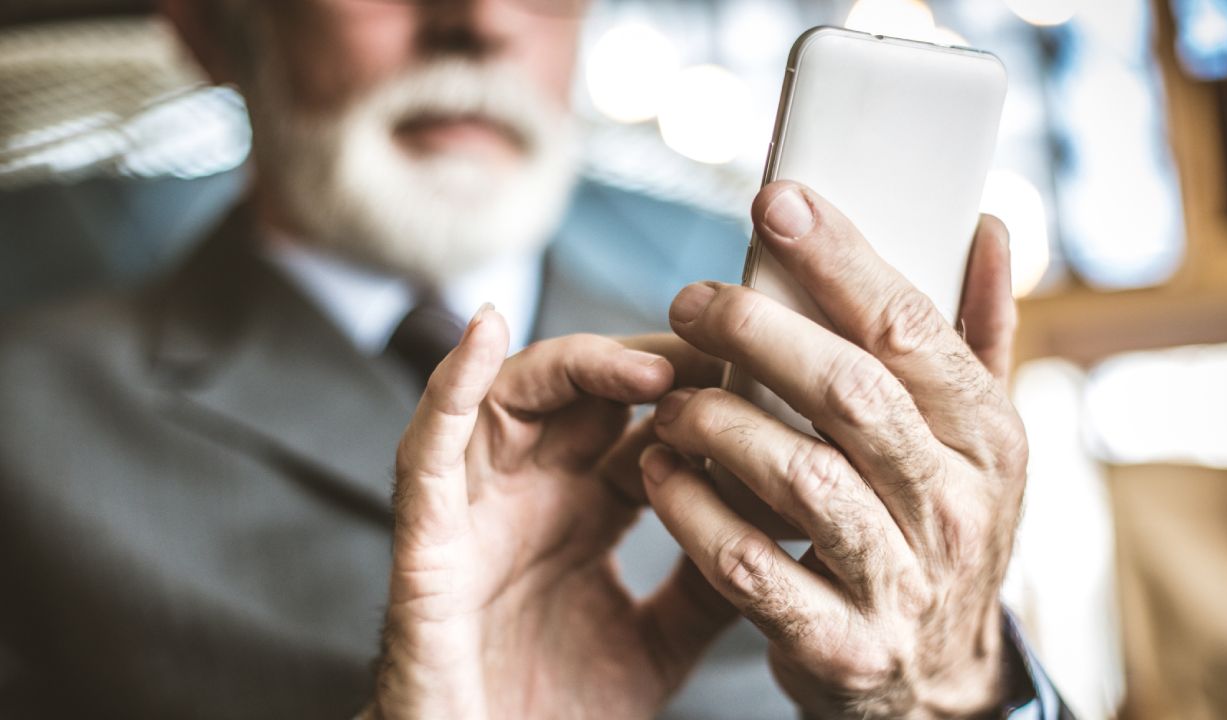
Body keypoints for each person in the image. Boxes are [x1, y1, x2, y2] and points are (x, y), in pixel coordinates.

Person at [0, 0, 1071, 717]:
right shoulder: (29, 422)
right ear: (211, 33)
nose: (474, 23)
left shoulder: (788, 379)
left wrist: (954, 686)